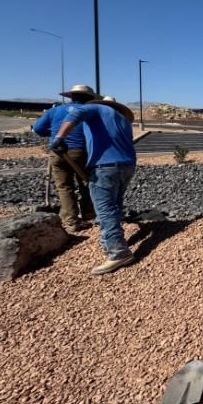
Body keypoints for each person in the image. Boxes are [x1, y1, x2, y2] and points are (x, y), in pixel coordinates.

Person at [50, 96, 137, 275]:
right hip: (127, 165)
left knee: (104, 209)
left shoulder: (95, 109)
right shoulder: (123, 120)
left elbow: (76, 114)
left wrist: (59, 137)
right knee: (114, 205)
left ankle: (118, 253)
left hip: (104, 166)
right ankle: (111, 241)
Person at [32, 84, 99, 233]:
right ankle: (90, 214)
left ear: (71, 97)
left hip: (58, 152)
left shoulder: (55, 111)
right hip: (82, 152)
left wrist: (54, 133)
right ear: (90, 99)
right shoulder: (91, 112)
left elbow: (37, 129)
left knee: (64, 186)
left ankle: (71, 221)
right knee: (87, 183)